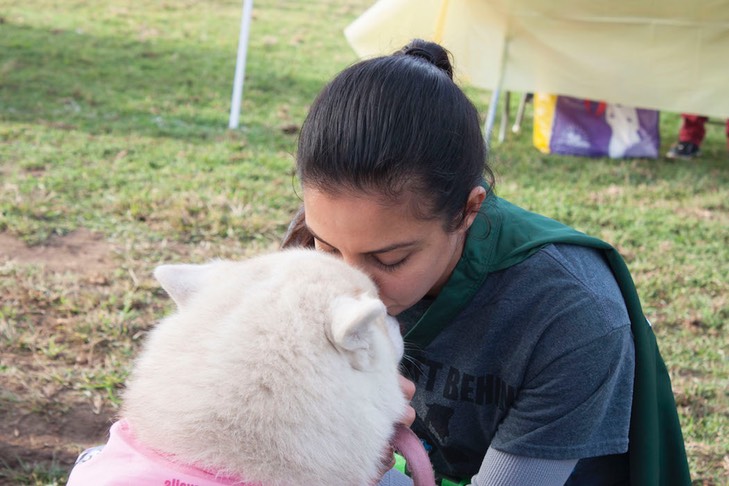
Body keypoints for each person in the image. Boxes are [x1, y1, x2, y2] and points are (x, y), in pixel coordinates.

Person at [282, 39, 690, 485]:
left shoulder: (570, 313)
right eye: (328, 247)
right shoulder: (316, 249)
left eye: (390, 259)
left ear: (467, 210)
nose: (350, 291)